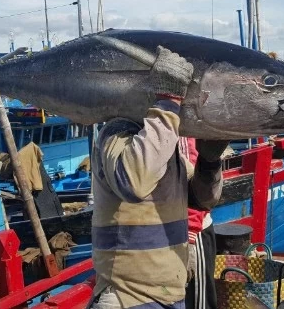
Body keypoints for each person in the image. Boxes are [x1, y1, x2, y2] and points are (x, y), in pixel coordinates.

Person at [89, 46, 227, 309]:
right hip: (128, 298)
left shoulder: (164, 149)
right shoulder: (115, 133)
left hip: (169, 294)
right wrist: (168, 103)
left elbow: (201, 200)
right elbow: (133, 182)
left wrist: (209, 162)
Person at [182, 138, 219, 309]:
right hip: (168, 236)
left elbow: (195, 190)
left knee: (199, 304)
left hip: (192, 234)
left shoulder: (181, 129)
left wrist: (189, 237)